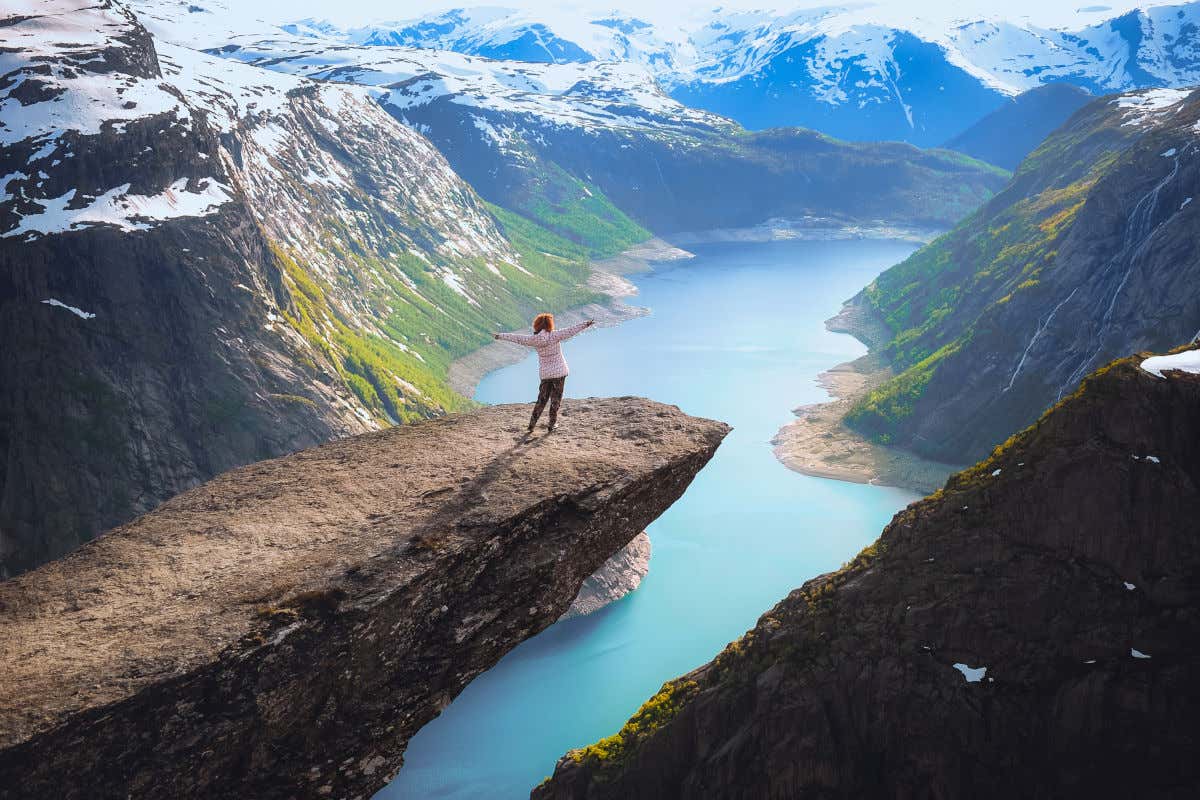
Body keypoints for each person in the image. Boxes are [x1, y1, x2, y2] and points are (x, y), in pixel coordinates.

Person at [494, 313, 595, 433]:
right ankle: (551, 425)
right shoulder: (555, 335)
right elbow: (571, 330)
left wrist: (500, 336)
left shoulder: (534, 340)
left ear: (537, 325)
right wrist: (586, 324)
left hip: (546, 374)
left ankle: (531, 425)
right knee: (555, 400)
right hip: (559, 373)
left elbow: (517, 338)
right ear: (549, 324)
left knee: (541, 400)